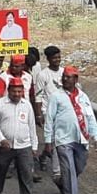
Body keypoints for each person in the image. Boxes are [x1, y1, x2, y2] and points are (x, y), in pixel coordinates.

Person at [44, 66, 97, 194]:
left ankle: (62, 181)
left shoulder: (83, 96)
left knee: (78, 167)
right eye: (64, 77)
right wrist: (48, 141)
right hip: (63, 140)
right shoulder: (56, 96)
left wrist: (95, 136)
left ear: (76, 79)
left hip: (81, 139)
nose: (65, 79)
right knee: (70, 172)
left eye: (68, 77)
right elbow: (49, 119)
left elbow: (90, 117)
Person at [0, 77, 38, 194]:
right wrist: (1, 139)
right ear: (8, 90)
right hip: (5, 146)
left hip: (24, 146)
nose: (17, 94)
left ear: (22, 91)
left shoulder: (27, 105)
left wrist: (34, 146)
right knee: (1, 171)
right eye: (14, 91)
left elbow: (32, 126)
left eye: (19, 91)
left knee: (26, 175)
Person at [34, 45, 63, 183]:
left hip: (62, 112)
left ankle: (44, 156)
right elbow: (38, 96)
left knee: (55, 141)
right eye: (54, 57)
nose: (57, 60)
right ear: (49, 59)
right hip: (47, 111)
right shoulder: (43, 75)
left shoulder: (64, 73)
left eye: (59, 57)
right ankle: (57, 173)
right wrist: (39, 114)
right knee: (54, 140)